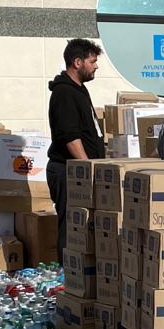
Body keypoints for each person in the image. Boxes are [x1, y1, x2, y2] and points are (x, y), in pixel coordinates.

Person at [46, 39, 106, 263]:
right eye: (93, 61)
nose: (96, 66)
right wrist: (87, 166)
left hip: (79, 170)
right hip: (68, 171)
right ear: (77, 62)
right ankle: (67, 276)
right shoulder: (64, 93)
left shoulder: (79, 90)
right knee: (70, 225)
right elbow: (70, 136)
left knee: (82, 225)